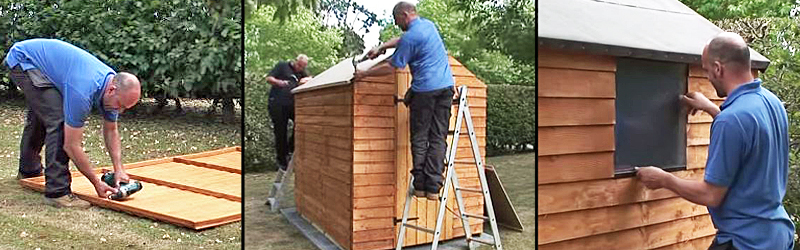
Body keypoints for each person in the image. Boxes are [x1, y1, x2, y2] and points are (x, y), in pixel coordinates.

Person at [636, 32, 795, 250]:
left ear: (719, 68)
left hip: (744, 242)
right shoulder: (772, 103)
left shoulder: (732, 120)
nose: (708, 76)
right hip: (775, 235)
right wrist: (711, 108)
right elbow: (746, 135)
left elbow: (711, 195)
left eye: (707, 70)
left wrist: (664, 180)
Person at [5, 38, 141, 208]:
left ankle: (29, 171)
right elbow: (71, 145)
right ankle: (58, 192)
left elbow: (111, 130)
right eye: (120, 105)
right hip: (25, 60)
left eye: (125, 108)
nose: (119, 111)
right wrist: (96, 183)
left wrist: (119, 168)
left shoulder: (111, 86)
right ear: (112, 90)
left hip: (43, 64)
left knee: (45, 113)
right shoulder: (83, 90)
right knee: (59, 121)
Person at [354, 1, 455, 201]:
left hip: (425, 93)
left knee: (419, 138)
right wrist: (382, 47)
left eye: (396, 19)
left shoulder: (411, 37)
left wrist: (364, 74)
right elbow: (401, 40)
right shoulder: (428, 26)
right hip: (445, 89)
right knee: (437, 137)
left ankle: (420, 186)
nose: (396, 23)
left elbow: (393, 66)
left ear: (405, 14)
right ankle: (433, 188)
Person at [265, 54, 311, 170]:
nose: (300, 68)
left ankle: (291, 147)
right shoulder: (282, 66)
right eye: (299, 65)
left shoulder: (302, 72)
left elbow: (311, 78)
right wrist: (279, 83)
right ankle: (282, 160)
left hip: (291, 105)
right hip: (277, 104)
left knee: (301, 122)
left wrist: (306, 80)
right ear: (296, 61)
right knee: (281, 131)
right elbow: (269, 78)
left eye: (303, 67)